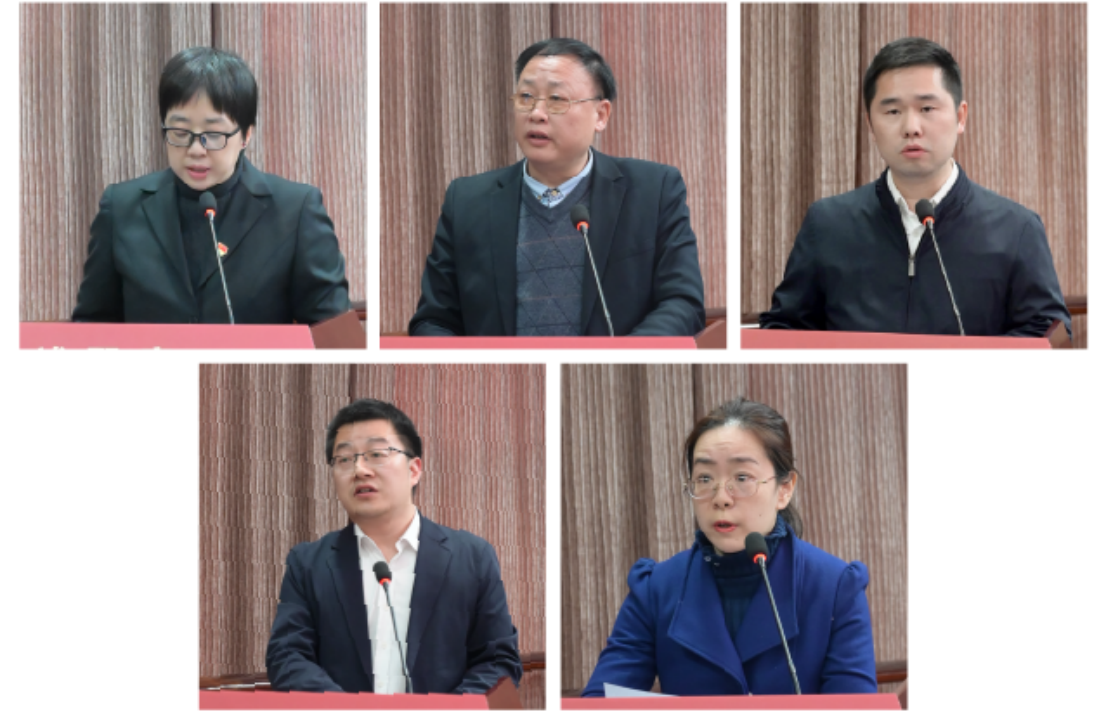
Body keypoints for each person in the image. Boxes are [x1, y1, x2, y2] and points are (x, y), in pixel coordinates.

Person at [760, 37, 1070, 338]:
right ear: (870, 124)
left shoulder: (1016, 229)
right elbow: (784, 330)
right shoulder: (828, 224)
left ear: (960, 117)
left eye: (927, 109)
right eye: (893, 111)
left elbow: (1045, 335)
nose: (911, 128)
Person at [408, 37, 705, 337]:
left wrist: (621, 356)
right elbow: (433, 321)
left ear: (600, 115)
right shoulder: (467, 201)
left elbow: (682, 303)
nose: (536, 113)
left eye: (557, 99)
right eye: (526, 96)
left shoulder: (653, 191)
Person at [582, 398, 876, 696]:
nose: (721, 497)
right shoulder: (657, 589)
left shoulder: (835, 588)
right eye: (705, 478)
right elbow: (600, 701)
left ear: (784, 489)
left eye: (742, 477)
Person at [71, 47, 350, 324]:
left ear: (246, 135)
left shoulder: (295, 212)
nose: (195, 149)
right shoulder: (121, 208)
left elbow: (334, 334)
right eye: (180, 132)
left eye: (214, 134)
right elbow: (91, 326)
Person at [266, 399, 522, 694]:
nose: (360, 470)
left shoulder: (473, 558)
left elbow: (499, 663)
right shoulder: (308, 563)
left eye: (376, 454)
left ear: (414, 470)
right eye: (344, 459)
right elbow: (287, 657)